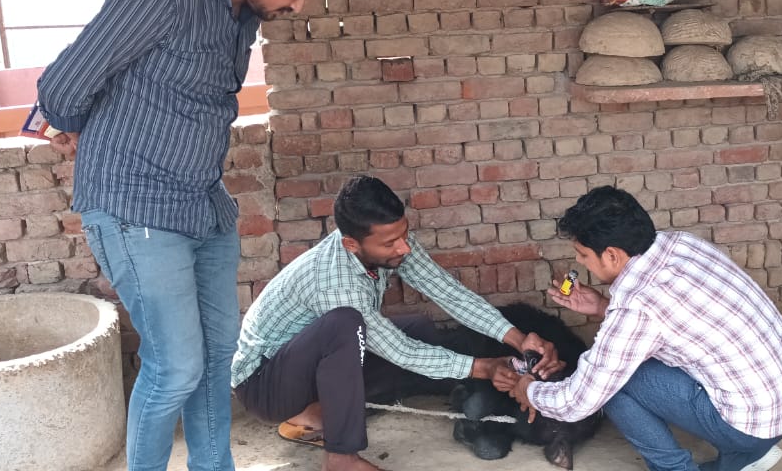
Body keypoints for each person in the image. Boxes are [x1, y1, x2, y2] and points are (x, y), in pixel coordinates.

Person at [35, 0, 345, 471]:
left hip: (203, 206)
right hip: (135, 206)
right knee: (175, 367)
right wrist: (74, 126)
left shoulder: (242, 10)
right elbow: (62, 86)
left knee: (215, 360)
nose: (297, 8)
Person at [231, 176, 564, 471]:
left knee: (419, 329)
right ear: (351, 244)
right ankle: (341, 459)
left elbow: (447, 292)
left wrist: (518, 339)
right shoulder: (332, 281)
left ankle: (314, 413)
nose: (404, 247)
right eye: (390, 243)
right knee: (346, 324)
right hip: (265, 385)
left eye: (404, 234)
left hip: (306, 367)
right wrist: (483, 368)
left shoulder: (390, 241)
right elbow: (400, 351)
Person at [496, 186, 782, 471]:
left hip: (749, 426)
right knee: (627, 363)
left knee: (613, 384)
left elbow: (579, 401)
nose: (580, 262)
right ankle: (745, 458)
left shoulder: (637, 305)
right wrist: (602, 306)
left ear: (612, 255)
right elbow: (674, 319)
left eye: (584, 255)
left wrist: (529, 390)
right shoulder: (681, 243)